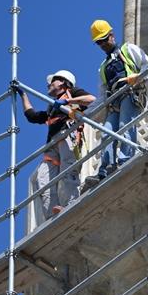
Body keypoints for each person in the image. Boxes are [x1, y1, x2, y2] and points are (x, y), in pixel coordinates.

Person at [20, 69, 94, 218]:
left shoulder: (72, 93)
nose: (49, 85)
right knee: (43, 179)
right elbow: (32, 116)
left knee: (68, 171)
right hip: (53, 143)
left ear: (63, 82)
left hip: (68, 136)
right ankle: (52, 215)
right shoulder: (51, 107)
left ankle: (70, 205)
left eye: (53, 81)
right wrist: (23, 94)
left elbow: (91, 99)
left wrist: (68, 101)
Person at [91, 19, 148, 174]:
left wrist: (137, 77)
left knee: (126, 126)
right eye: (99, 43)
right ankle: (106, 168)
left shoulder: (128, 49)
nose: (102, 44)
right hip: (113, 102)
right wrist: (82, 114)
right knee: (106, 133)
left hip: (130, 94)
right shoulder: (103, 67)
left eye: (104, 40)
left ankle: (126, 159)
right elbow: (102, 95)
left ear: (111, 35)